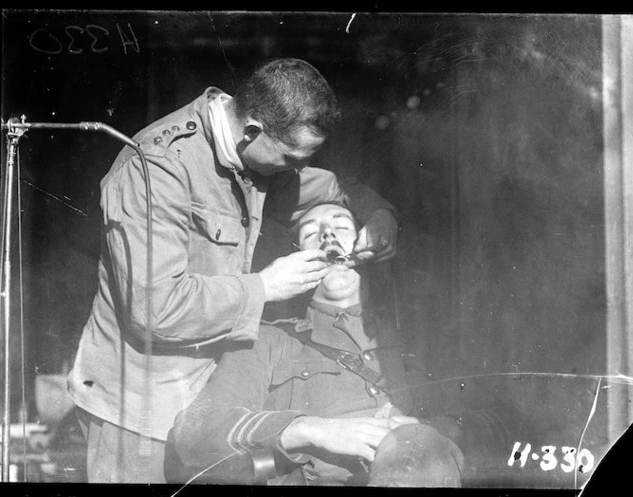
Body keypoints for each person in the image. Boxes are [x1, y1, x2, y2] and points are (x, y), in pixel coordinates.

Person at [66, 58, 400, 483]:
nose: (297, 171)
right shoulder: (155, 168)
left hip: (212, 403)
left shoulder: (262, 155)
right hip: (141, 413)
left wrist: (380, 214)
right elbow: (154, 309)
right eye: (291, 157)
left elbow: (336, 186)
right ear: (252, 132)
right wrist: (265, 287)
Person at [164, 201, 464, 486]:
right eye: (310, 232)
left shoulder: (418, 336)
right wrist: (311, 429)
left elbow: (499, 416)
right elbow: (193, 438)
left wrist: (434, 430)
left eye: (342, 226)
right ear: (295, 256)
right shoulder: (269, 338)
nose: (327, 234)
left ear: (368, 245)